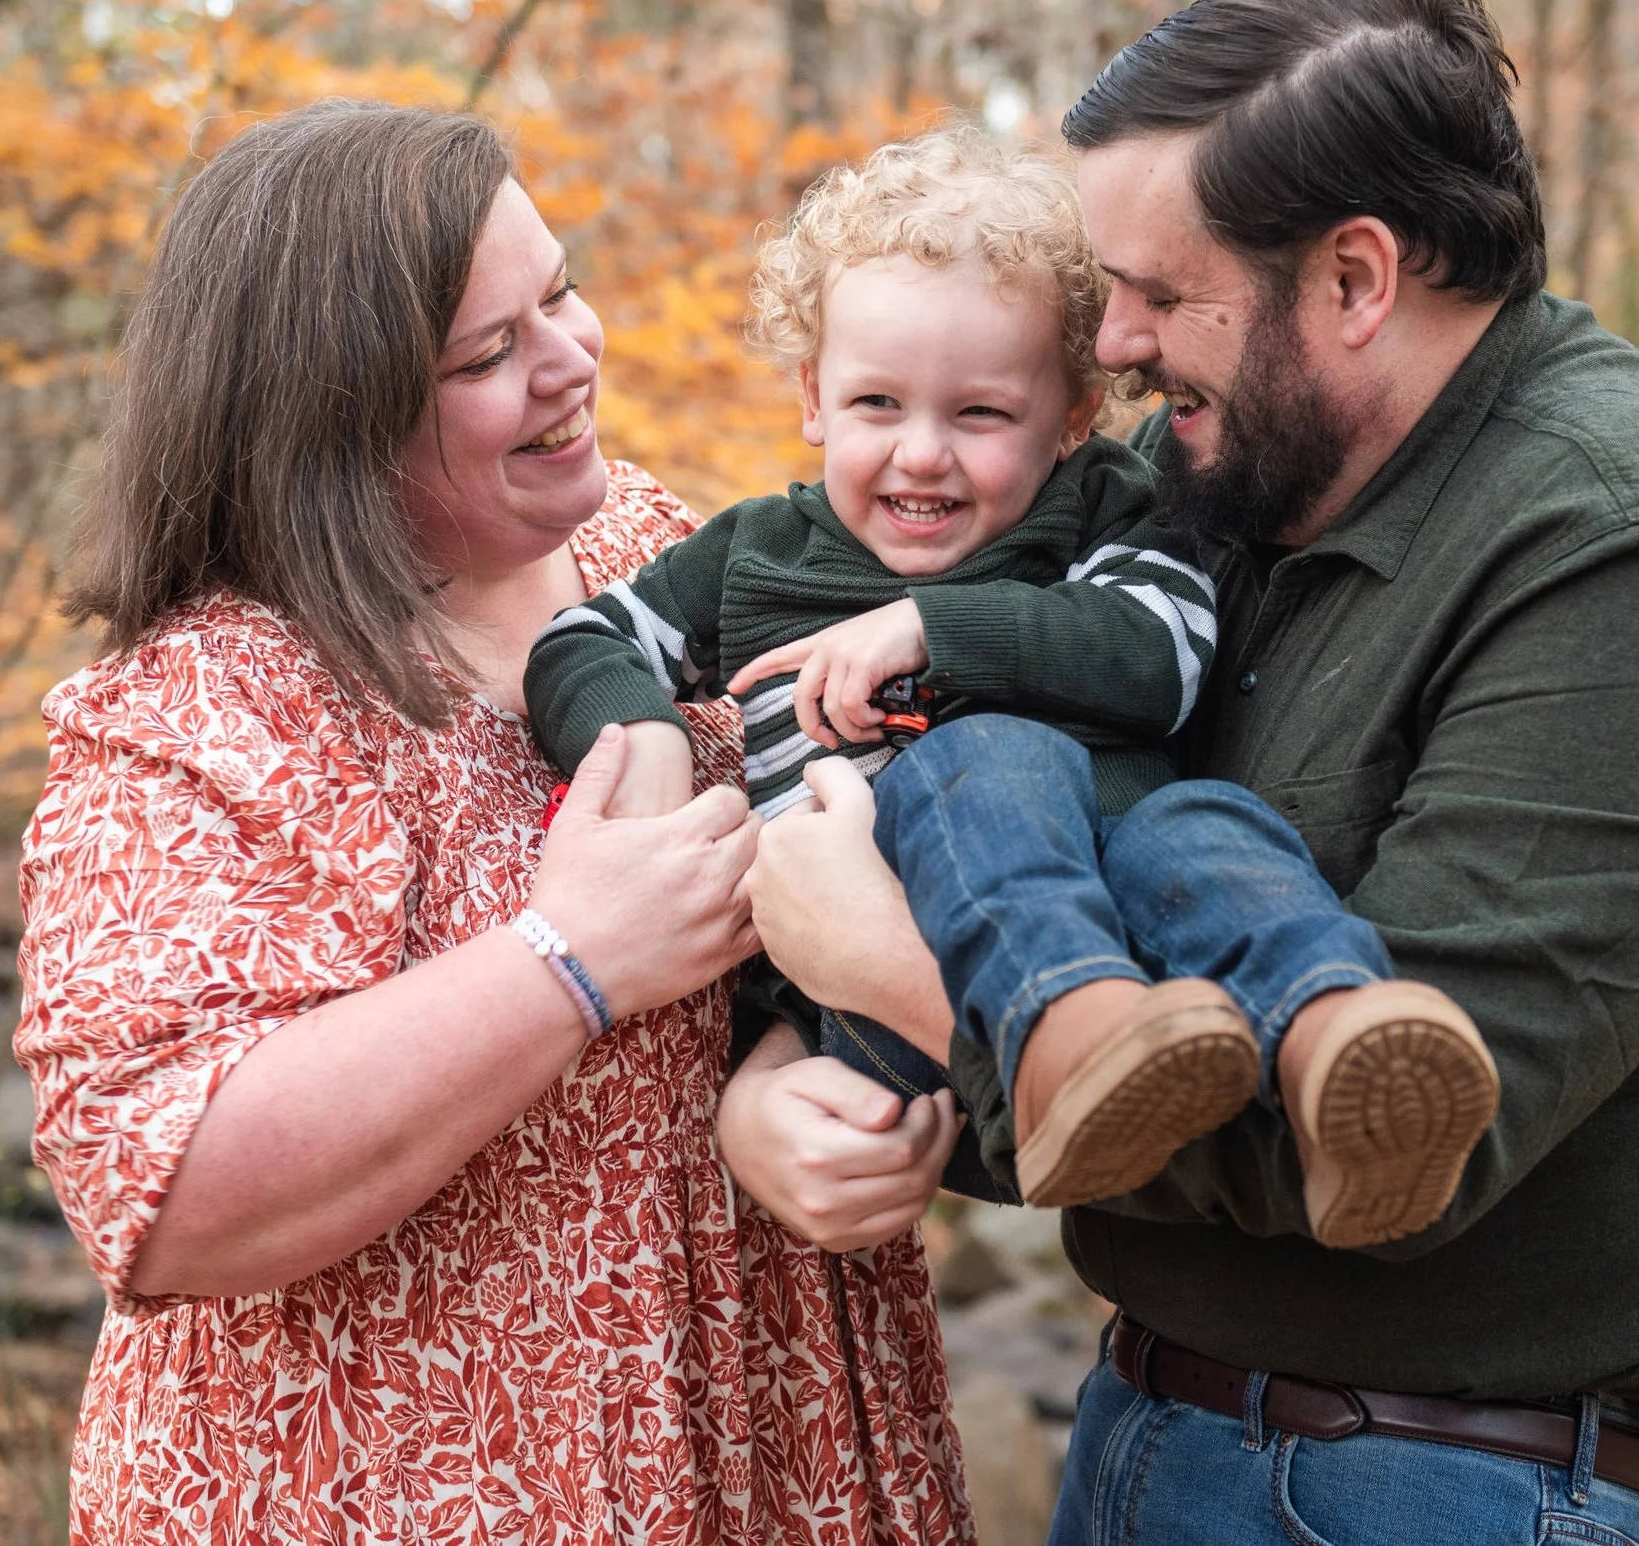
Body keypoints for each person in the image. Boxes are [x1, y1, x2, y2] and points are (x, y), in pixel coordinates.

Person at [744, 0, 1639, 1546]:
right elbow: (1005, 847)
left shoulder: (1638, 556)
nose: (1121, 343)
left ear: (1356, 278)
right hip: (1164, 1417)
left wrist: (886, 976)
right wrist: (775, 1068)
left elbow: (1398, 1142)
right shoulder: (1220, 490)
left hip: (1437, 1479)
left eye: (1161, 291)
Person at [15, 100, 967, 1544]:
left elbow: (865, 850)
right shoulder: (210, 701)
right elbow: (162, 1187)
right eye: (488, 353)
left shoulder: (650, 546)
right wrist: (566, 957)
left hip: (754, 1445)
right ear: (330, 416)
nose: (573, 358)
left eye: (561, 290)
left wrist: (798, 1089)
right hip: (390, 1487)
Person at [526, 128, 1496, 1237]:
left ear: (1073, 417)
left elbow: (1162, 651)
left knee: (1204, 823)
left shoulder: (1097, 508)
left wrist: (934, 627)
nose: (922, 452)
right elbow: (575, 641)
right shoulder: (756, 553)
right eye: (876, 404)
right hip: (884, 991)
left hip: (1136, 939)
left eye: (979, 413)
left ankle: (1345, 1053)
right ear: (812, 396)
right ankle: (1070, 1038)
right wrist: (638, 734)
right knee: (981, 754)